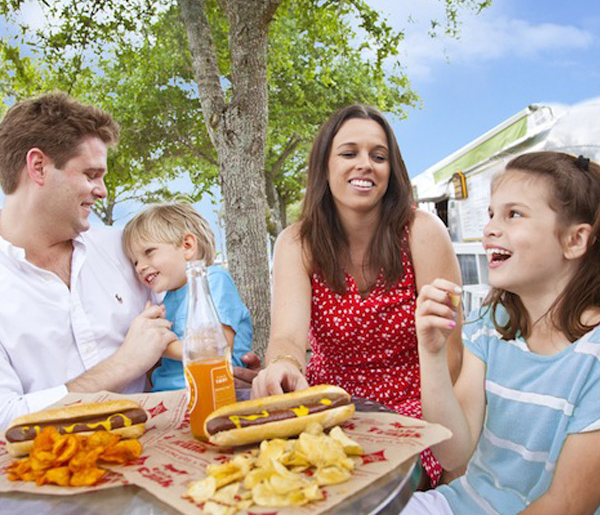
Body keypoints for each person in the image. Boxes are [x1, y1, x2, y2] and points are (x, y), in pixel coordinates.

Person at [251, 104, 463, 487]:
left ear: (391, 171)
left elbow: (452, 356)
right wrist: (284, 365)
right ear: (324, 167)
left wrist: (412, 425)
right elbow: (287, 336)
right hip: (328, 405)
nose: (364, 164)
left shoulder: (422, 231)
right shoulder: (296, 242)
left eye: (378, 156)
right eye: (349, 153)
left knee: (360, 486)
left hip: (412, 411)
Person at [403, 152, 600, 514]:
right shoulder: (491, 325)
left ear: (575, 240)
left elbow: (567, 504)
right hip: (461, 505)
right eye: (492, 214)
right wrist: (431, 354)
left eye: (514, 214)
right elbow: (453, 451)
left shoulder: (593, 357)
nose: (490, 228)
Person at [0, 92, 178, 430]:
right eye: (91, 174)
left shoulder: (125, 249)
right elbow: (5, 419)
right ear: (38, 167)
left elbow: (179, 329)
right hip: (45, 474)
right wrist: (121, 366)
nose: (102, 190)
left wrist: (225, 355)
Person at [121, 202, 253, 391]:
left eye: (148, 252)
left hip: (210, 392)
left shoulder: (213, 280)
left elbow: (217, 348)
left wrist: (157, 345)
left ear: (187, 246)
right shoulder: (167, 299)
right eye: (135, 261)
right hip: (165, 395)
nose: (140, 267)